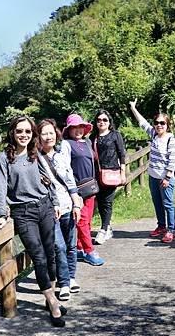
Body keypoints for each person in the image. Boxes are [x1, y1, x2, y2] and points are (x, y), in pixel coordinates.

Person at [0, 116, 66, 327]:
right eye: (19, 131)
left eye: (27, 131)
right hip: (23, 213)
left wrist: (55, 202)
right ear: (12, 133)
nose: (23, 135)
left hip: (44, 207)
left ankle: (49, 295)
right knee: (39, 257)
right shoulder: (4, 158)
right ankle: (53, 303)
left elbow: (49, 180)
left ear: (32, 133)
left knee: (51, 253)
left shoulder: (36, 154)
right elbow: (2, 188)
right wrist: (1, 215)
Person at [38, 119, 83, 300]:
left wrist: (76, 204)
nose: (48, 137)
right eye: (44, 134)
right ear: (38, 137)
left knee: (71, 245)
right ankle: (63, 283)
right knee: (59, 246)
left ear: (56, 134)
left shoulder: (62, 155)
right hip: (50, 209)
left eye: (51, 133)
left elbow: (71, 182)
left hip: (68, 205)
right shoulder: (36, 159)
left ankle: (71, 277)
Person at [129, 99, 175, 243]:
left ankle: (171, 230)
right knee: (157, 203)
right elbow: (142, 122)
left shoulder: (170, 140)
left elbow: (173, 160)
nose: (159, 125)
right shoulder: (154, 135)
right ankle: (162, 226)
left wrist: (167, 177)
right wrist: (133, 108)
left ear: (167, 125)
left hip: (165, 178)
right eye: (157, 123)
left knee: (168, 204)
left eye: (162, 123)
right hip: (153, 177)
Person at [61, 113, 105, 266]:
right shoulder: (66, 144)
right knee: (82, 221)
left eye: (80, 127)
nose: (78, 130)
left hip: (90, 187)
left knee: (87, 221)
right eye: (74, 127)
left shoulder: (87, 142)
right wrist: (72, 190)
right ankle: (89, 250)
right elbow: (65, 168)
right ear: (69, 130)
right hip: (77, 189)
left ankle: (80, 248)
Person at [90, 109, 127, 245]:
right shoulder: (93, 137)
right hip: (96, 174)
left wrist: (123, 173)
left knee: (107, 201)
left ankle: (103, 229)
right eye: (99, 120)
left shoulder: (115, 135)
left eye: (105, 120)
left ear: (109, 121)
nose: (102, 122)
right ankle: (108, 227)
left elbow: (122, 154)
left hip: (111, 173)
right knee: (100, 201)